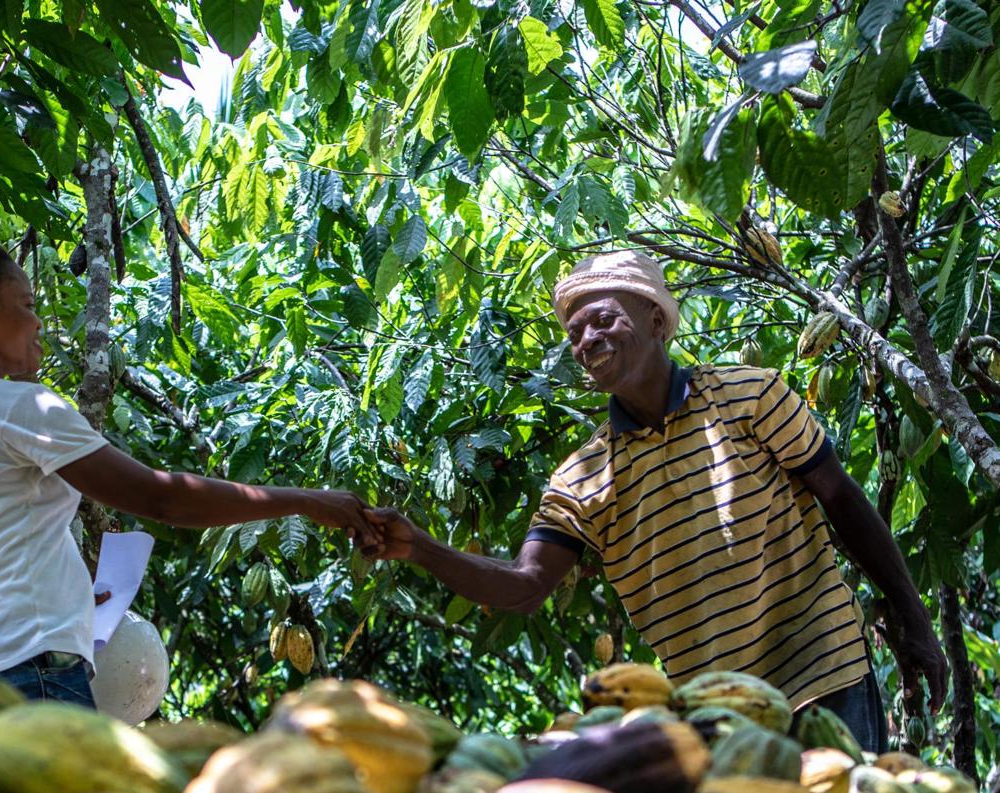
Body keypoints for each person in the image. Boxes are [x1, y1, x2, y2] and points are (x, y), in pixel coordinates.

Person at [361, 250, 946, 751]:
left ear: (656, 319)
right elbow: (525, 585)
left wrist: (913, 618)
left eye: (602, 320)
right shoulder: (583, 476)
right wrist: (421, 548)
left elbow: (843, 500)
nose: (586, 339)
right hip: (718, 717)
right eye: (575, 333)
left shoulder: (751, 397)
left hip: (825, 676)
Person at [0, 220, 380, 706]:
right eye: (27, 305)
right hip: (33, 680)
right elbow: (160, 499)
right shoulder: (18, 406)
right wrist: (305, 501)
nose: (38, 322)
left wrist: (52, 607)